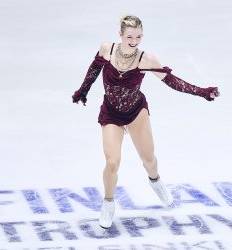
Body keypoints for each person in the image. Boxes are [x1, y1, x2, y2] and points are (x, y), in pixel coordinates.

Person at [72, 15, 220, 229]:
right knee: (112, 162)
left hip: (135, 112)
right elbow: (94, 69)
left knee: (149, 160)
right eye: (130, 36)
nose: (134, 40)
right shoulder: (107, 49)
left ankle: (156, 181)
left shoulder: (146, 60)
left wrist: (201, 92)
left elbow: (172, 81)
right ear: (120, 34)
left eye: (139, 36)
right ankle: (108, 203)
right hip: (111, 113)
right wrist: (82, 90)